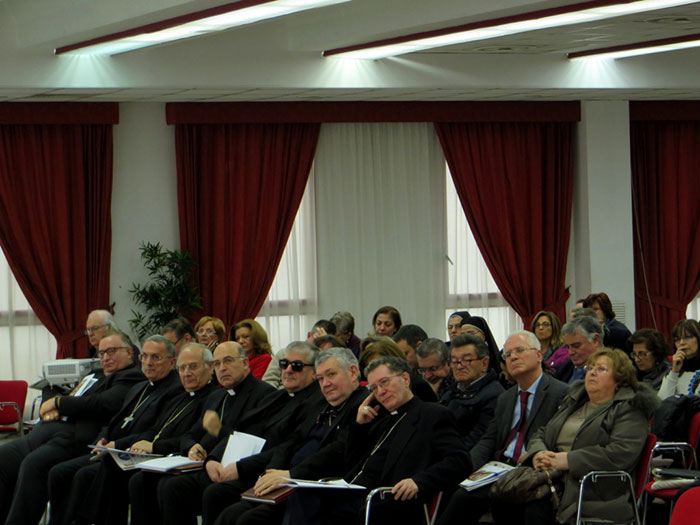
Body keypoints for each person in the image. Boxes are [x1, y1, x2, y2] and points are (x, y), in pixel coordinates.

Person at [285, 356, 471, 525]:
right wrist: (359, 426)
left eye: (385, 382)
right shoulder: (380, 419)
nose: (380, 392)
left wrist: (418, 481)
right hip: (354, 492)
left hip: (385, 498)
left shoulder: (431, 414)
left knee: (312, 504)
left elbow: (460, 461)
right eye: (373, 388)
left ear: (405, 379)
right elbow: (351, 462)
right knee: (301, 494)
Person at [155, 341, 325, 525]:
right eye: (284, 364)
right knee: (171, 485)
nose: (288, 370)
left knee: (216, 494)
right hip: (237, 465)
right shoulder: (278, 396)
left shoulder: (309, 401)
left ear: (315, 372)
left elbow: (286, 447)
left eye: (297, 366)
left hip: (260, 470)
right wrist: (211, 460)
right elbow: (241, 432)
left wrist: (240, 467)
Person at [0, 329, 144, 525]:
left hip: (72, 439)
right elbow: (57, 389)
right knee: (3, 459)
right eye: (101, 353)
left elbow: (101, 403)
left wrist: (59, 404)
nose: (105, 358)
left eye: (112, 351)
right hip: (43, 433)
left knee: (33, 465)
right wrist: (50, 403)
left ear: (129, 352)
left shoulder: (131, 377)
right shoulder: (95, 373)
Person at [212, 347, 368, 525]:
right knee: (230, 514)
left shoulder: (363, 408)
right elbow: (291, 441)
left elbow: (336, 452)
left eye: (331, 375)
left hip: (313, 488)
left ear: (353, 372)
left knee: (249, 520)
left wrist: (290, 474)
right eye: (321, 378)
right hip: (286, 481)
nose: (325, 384)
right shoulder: (319, 403)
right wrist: (270, 472)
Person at [71, 343, 218, 525]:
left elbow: (190, 438)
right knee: (113, 463)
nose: (186, 373)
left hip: (175, 458)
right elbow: (155, 428)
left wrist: (153, 446)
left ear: (210, 366)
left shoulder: (214, 398)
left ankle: (86, 521)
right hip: (155, 455)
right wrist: (141, 442)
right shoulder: (179, 394)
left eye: (193, 367)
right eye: (183, 368)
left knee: (134, 478)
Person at [437, 330, 569, 525]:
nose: (513, 357)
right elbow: (489, 439)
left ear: (539, 355)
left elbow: (557, 438)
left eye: (520, 350)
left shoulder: (561, 392)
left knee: (530, 506)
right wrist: (467, 467)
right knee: (461, 497)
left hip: (534, 469)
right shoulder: (506, 398)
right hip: (501, 468)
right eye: (508, 354)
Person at [48, 335, 182, 525]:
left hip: (133, 453)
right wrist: (103, 438)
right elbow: (114, 421)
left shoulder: (175, 389)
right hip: (111, 450)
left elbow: (156, 430)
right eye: (144, 356)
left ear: (172, 361)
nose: (148, 363)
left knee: (84, 475)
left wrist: (117, 444)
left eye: (156, 357)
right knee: (59, 472)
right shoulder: (140, 387)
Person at [518, 349, 658, 524]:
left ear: (620, 379)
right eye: (590, 368)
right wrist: (539, 453)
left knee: (531, 506)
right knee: (505, 498)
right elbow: (543, 432)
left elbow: (620, 454)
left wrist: (568, 460)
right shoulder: (575, 401)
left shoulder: (630, 409)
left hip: (593, 488)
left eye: (601, 369)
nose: (592, 372)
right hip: (553, 476)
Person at [440, 333, 504, 449]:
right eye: (454, 361)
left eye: (467, 360)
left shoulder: (494, 395)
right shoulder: (450, 392)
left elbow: (477, 441)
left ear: (484, 363)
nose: (459, 367)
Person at [658, 319, 700, 399]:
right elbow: (663, 402)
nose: (681, 343)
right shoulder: (674, 371)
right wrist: (674, 371)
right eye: (677, 339)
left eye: (687, 337)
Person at [555, 315, 604, 383]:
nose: (570, 352)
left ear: (595, 340)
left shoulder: (612, 370)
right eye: (568, 347)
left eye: (576, 346)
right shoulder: (564, 368)